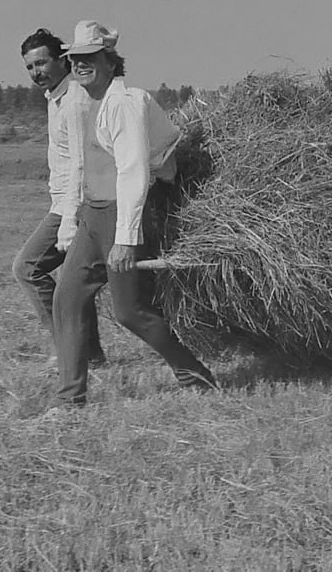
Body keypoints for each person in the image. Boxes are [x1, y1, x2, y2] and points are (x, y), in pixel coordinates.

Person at [50, 20, 216, 409]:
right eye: (75, 59)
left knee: (130, 312)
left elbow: (133, 171)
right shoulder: (92, 103)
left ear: (110, 62)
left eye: (90, 57)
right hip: (94, 214)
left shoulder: (123, 104)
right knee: (67, 298)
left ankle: (195, 375)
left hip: (120, 218)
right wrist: (74, 217)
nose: (80, 65)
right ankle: (70, 399)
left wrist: (125, 238)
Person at [10, 28, 105, 368]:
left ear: (62, 60)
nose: (37, 72)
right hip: (65, 201)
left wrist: (69, 218)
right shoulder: (56, 97)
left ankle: (71, 351)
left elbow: (82, 161)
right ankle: (88, 355)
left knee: (28, 267)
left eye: (42, 63)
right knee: (74, 281)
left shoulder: (75, 101)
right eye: (30, 67)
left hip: (76, 203)